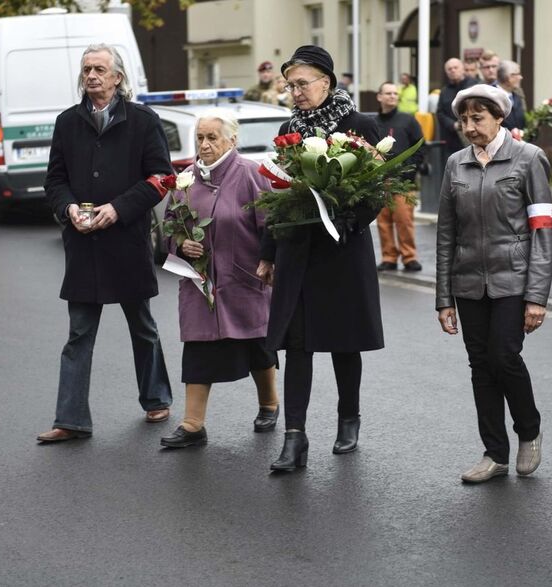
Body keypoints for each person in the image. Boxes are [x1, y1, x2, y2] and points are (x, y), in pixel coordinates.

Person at [256, 45, 384, 471]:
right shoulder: (288, 128)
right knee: (298, 345)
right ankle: (295, 438)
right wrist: (268, 252)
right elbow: (276, 195)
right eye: (290, 85)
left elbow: (378, 187)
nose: (295, 92)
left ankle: (349, 418)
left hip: (342, 249)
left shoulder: (359, 123)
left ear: (326, 83)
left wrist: (349, 217)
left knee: (345, 343)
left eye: (302, 83)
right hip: (298, 251)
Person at [38, 44, 173, 443]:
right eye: (86, 69)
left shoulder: (144, 121)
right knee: (79, 334)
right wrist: (68, 211)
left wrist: (118, 208)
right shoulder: (67, 122)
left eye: (100, 69)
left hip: (125, 242)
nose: (92, 75)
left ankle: (156, 398)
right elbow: (54, 181)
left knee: (143, 327)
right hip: (83, 245)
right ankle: (71, 419)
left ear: (117, 77)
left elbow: (161, 178)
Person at [436, 84, 552, 484]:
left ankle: (529, 429)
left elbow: (542, 231)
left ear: (500, 117)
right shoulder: (455, 164)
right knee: (480, 366)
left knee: (504, 355)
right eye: (464, 119)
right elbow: (446, 233)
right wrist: (443, 298)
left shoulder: (529, 159)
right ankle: (494, 453)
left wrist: (537, 296)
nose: (469, 127)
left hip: (513, 278)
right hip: (468, 280)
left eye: (478, 118)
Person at [159, 109, 280, 448]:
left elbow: (270, 225)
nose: (205, 144)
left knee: (257, 346)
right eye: (200, 137)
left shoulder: (251, 174)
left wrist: (268, 261)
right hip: (200, 285)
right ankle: (193, 425)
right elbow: (170, 227)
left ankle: (269, 404)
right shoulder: (185, 179)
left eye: (212, 137)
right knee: (198, 351)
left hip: (244, 280)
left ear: (232, 140)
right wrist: (182, 244)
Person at [374, 82, 425, 273]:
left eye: (395, 93)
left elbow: (420, 146)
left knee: (404, 221)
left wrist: (410, 171)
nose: (392, 96)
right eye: (388, 93)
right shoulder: (373, 123)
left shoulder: (408, 120)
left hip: (404, 181)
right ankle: (388, 257)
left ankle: (410, 257)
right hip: (380, 181)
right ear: (379, 97)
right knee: (383, 221)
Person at [436, 58, 475, 162]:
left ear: (462, 69)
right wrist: (453, 125)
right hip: (451, 139)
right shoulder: (444, 91)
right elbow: (440, 113)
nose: (453, 70)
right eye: (449, 69)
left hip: (472, 138)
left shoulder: (474, 85)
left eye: (455, 68)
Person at [497, 60, 526, 134]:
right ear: (509, 77)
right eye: (518, 74)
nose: (521, 77)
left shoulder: (518, 97)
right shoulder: (492, 97)